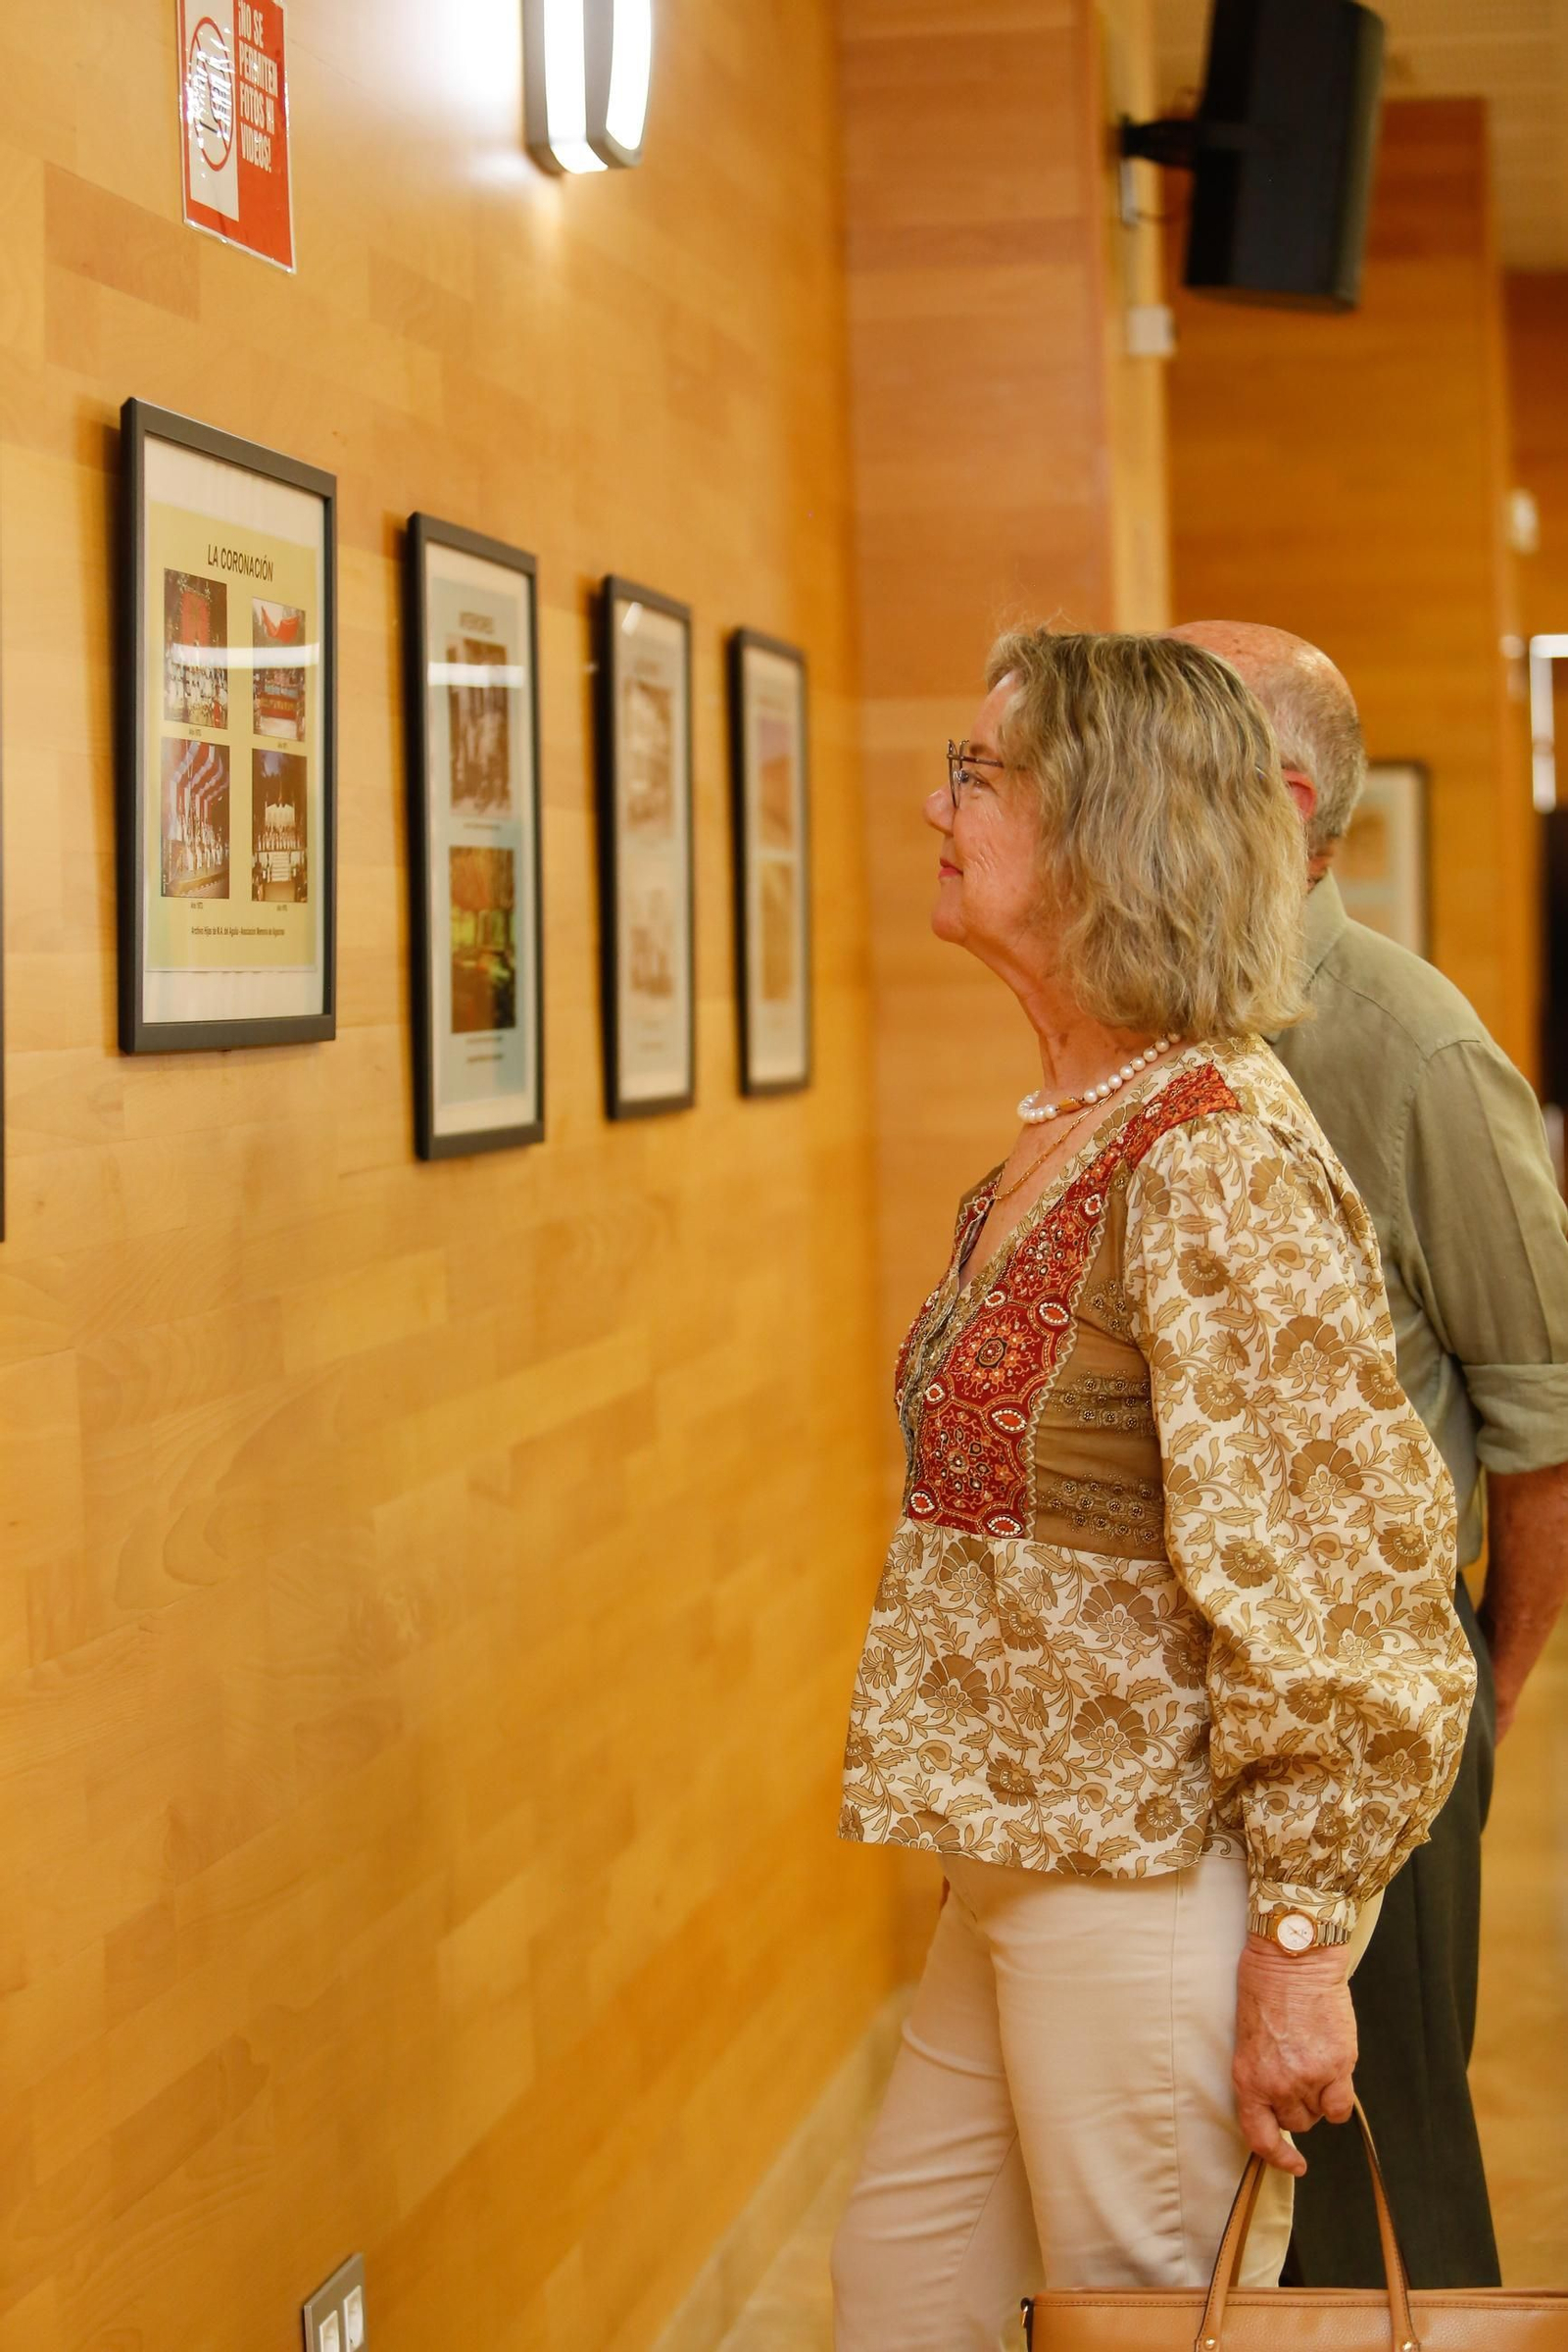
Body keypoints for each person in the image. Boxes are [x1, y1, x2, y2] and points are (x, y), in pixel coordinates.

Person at [830, 628, 1476, 2352]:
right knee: (904, 2295)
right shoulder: (1085, 1118)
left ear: (1108, 827)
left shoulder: (1210, 1153)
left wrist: (1300, 1949)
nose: (931, 805)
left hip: (1152, 1891)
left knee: (1141, 2326)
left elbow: (1346, 1586)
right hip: (1020, 1864)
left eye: (977, 775)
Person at [1170, 618, 1568, 2289]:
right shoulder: (1170, 1024)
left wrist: (1485, 1685)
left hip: (1384, 1729)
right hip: (1207, 1731)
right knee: (1231, 2172)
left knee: (1385, 2159)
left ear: (1268, 799)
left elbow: (1542, 1419)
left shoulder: (1412, 1050)